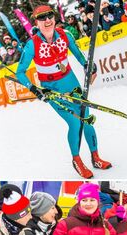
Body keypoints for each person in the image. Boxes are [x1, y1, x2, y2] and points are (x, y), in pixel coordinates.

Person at [16, 5, 111, 179]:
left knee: (87, 121)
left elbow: (80, 56)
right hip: (52, 91)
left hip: (72, 85)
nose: (47, 20)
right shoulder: (32, 45)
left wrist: (89, 66)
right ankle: (77, 160)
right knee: (75, 123)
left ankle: (95, 157)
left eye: (49, 16)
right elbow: (19, 72)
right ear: (36, 22)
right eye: (42, 18)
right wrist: (34, 89)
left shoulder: (65, 35)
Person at [52, 183, 127, 235]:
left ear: (97, 202)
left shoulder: (105, 225)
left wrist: (122, 223)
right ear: (79, 202)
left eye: (92, 200)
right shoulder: (65, 224)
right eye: (84, 200)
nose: (88, 204)